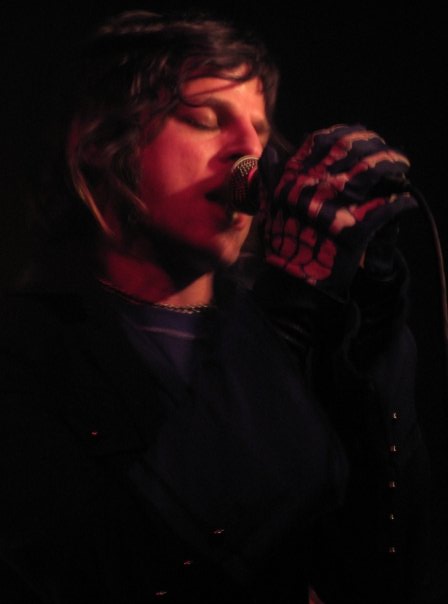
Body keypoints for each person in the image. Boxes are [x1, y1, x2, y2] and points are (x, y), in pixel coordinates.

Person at [0, 8, 431, 604]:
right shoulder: (25, 348)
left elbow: (388, 565)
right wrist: (287, 317)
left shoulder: (285, 330)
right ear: (99, 143)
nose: (250, 150)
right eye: (205, 120)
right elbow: (109, 564)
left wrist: (373, 327)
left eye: (259, 129)